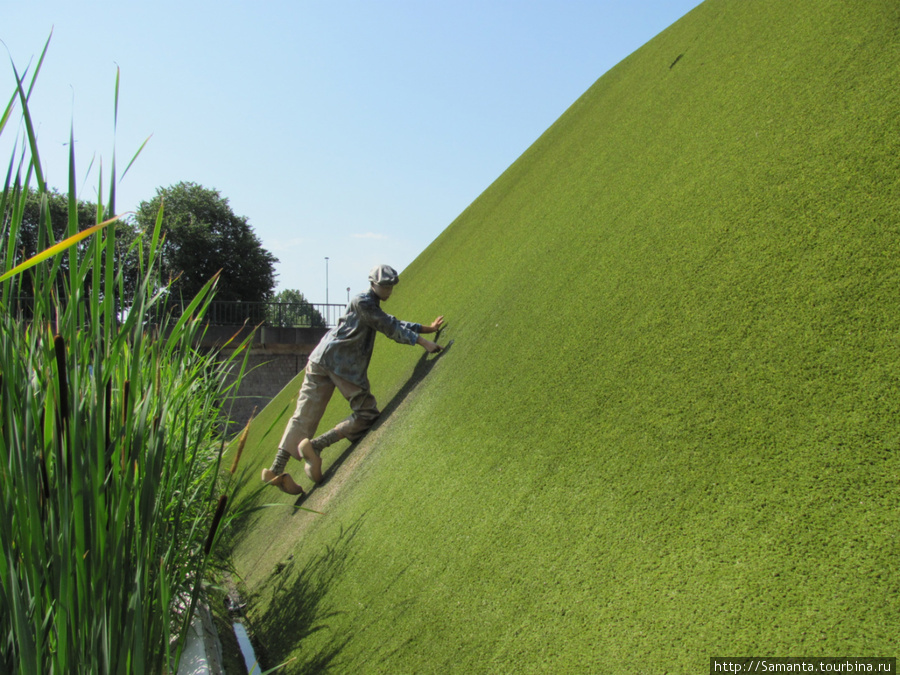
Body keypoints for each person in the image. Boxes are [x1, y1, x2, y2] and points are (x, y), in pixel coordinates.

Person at [261, 264, 444, 494]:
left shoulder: (366, 303)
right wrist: (422, 342)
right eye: (384, 286)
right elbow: (388, 326)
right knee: (366, 414)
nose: (388, 291)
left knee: (304, 414)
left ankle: (276, 469)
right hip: (340, 363)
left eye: (390, 286)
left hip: (319, 358)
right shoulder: (363, 302)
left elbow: (391, 321)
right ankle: (316, 446)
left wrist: (428, 329)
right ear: (373, 284)